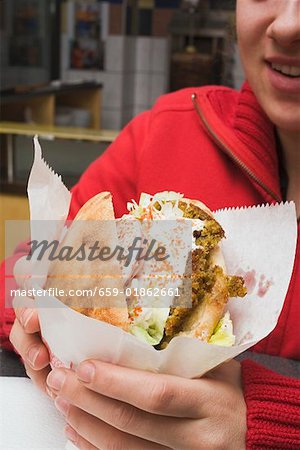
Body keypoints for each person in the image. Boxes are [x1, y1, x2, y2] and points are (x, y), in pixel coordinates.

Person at [1, 0, 300, 448]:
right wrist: (36, 311)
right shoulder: (165, 132)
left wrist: (272, 421)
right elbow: (27, 267)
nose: (290, 23)